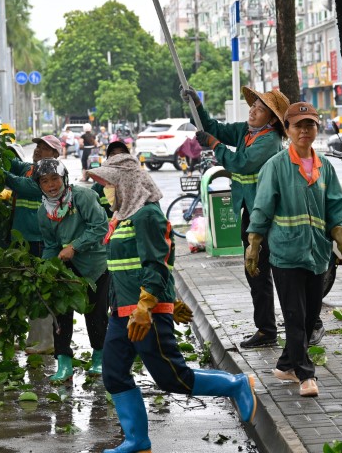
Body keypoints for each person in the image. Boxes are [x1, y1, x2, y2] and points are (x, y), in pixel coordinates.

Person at [88, 154, 256, 453]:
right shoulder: (123, 217)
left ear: (125, 185)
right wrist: (171, 298)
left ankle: (236, 384)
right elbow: (129, 267)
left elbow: (158, 263)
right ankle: (137, 441)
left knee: (173, 377)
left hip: (145, 312)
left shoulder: (147, 215)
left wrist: (148, 305)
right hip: (122, 313)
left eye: (108, 185)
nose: (105, 191)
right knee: (113, 375)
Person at [248, 102, 342, 397]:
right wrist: (254, 245)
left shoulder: (325, 168)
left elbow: (335, 208)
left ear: (316, 128)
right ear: (287, 130)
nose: (304, 131)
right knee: (295, 316)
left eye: (309, 125)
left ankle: (285, 363)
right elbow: (262, 208)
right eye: (298, 125)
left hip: (317, 254)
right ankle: (305, 374)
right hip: (285, 253)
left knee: (310, 317)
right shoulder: (276, 166)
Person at [180, 85, 290, 349]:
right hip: (249, 210)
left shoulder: (269, 140)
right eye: (253, 106)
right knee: (255, 271)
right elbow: (214, 128)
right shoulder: (246, 131)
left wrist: (214, 145)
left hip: (266, 213)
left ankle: (292, 327)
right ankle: (266, 329)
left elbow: (240, 163)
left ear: (272, 119)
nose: (253, 111)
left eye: (260, 109)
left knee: (269, 270)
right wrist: (196, 103)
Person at [0, 134, 62, 354]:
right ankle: (34, 339)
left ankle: (47, 341)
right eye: (38, 145)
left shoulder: (52, 175)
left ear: (56, 155)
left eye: (45, 147)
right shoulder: (28, 168)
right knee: (28, 291)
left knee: (41, 291)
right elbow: (6, 161)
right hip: (23, 241)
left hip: (41, 241)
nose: (38, 149)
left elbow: (19, 183)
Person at [33, 158, 110, 381]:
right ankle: (64, 362)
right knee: (60, 315)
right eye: (45, 181)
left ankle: (99, 357)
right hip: (65, 270)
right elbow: (50, 245)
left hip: (95, 266)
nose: (51, 185)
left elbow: (100, 227)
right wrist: (45, 269)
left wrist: (74, 247)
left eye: (55, 179)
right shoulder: (43, 212)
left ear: (64, 178)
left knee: (95, 315)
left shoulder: (83, 197)